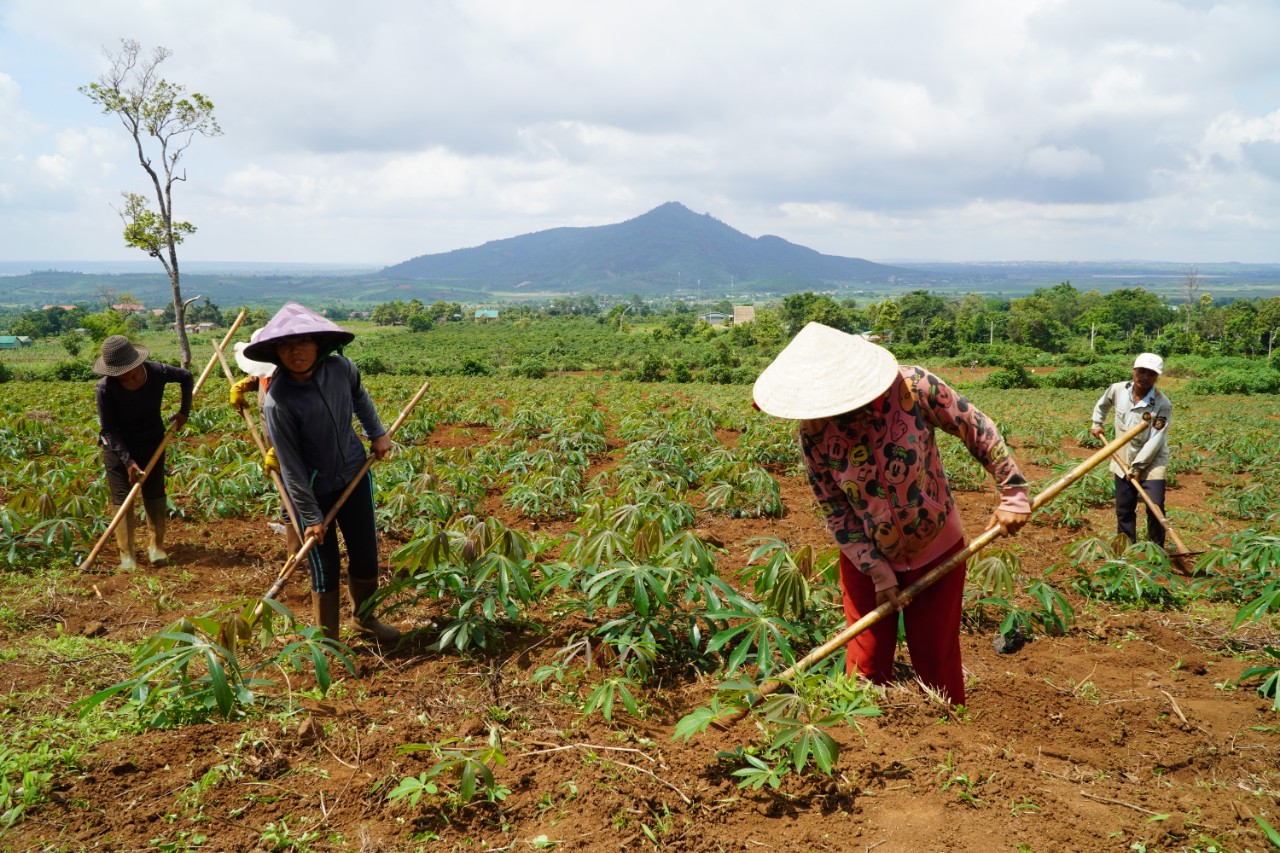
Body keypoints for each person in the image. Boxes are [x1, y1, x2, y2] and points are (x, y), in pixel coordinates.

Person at [752, 323, 1031, 705]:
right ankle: (868, 740)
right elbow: (835, 509)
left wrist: (1013, 490)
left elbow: (976, 426)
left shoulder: (915, 387)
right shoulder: (814, 432)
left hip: (936, 543)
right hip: (865, 557)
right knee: (865, 662)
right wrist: (876, 569)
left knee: (936, 661)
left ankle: (949, 738)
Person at [242, 302, 400, 644]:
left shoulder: (342, 368)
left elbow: (360, 396)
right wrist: (311, 515)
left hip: (354, 473)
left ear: (319, 344)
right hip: (310, 491)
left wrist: (377, 433)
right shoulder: (278, 401)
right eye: (285, 345)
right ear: (275, 352)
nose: (295, 351)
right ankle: (328, 640)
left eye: (303, 342)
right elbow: (291, 466)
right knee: (323, 566)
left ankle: (365, 618)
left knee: (365, 553)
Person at [93, 334, 193, 570]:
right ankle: (126, 554)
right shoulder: (105, 389)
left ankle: (156, 546)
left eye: (130, 372)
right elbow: (108, 429)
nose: (127, 377)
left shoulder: (158, 372)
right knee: (122, 497)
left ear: (137, 363)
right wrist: (128, 462)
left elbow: (186, 377)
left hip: (152, 441)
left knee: (154, 491)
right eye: (120, 374)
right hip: (118, 449)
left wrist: (184, 412)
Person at [1090, 353, 1173, 549]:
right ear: (1133, 370)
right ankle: (1126, 547)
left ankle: (1155, 548)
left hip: (1151, 460)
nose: (1144, 376)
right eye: (1140, 371)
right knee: (1124, 507)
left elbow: (1156, 439)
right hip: (1123, 456)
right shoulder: (1118, 390)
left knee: (1155, 506)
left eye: (1150, 374)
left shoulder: (1162, 404)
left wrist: (1137, 467)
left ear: (1156, 377)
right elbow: (1102, 405)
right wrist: (1097, 423)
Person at [233, 331, 303, 557]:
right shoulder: (266, 375)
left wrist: (281, 449)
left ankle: (304, 553)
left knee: (296, 500)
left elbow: (304, 424)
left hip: (297, 453)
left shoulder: (292, 382)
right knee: (287, 498)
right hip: (278, 450)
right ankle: (296, 552)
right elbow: (261, 375)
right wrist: (247, 383)